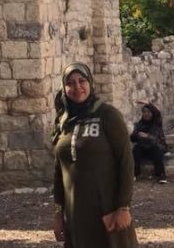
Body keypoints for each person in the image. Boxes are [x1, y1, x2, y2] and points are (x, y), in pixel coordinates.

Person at [52, 62, 138, 248]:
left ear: (90, 82)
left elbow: (125, 161)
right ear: (64, 88)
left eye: (81, 81)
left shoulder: (107, 115)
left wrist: (123, 206)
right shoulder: (63, 121)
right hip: (76, 214)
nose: (77, 87)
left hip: (107, 210)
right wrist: (59, 213)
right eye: (70, 83)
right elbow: (59, 171)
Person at [130, 102, 168, 184]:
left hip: (157, 148)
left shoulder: (157, 123)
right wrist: (137, 135)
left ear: (152, 113)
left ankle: (161, 175)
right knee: (136, 148)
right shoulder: (140, 124)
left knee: (155, 148)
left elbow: (155, 138)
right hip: (144, 149)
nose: (146, 114)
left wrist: (147, 136)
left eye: (148, 112)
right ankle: (134, 174)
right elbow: (132, 138)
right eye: (144, 112)